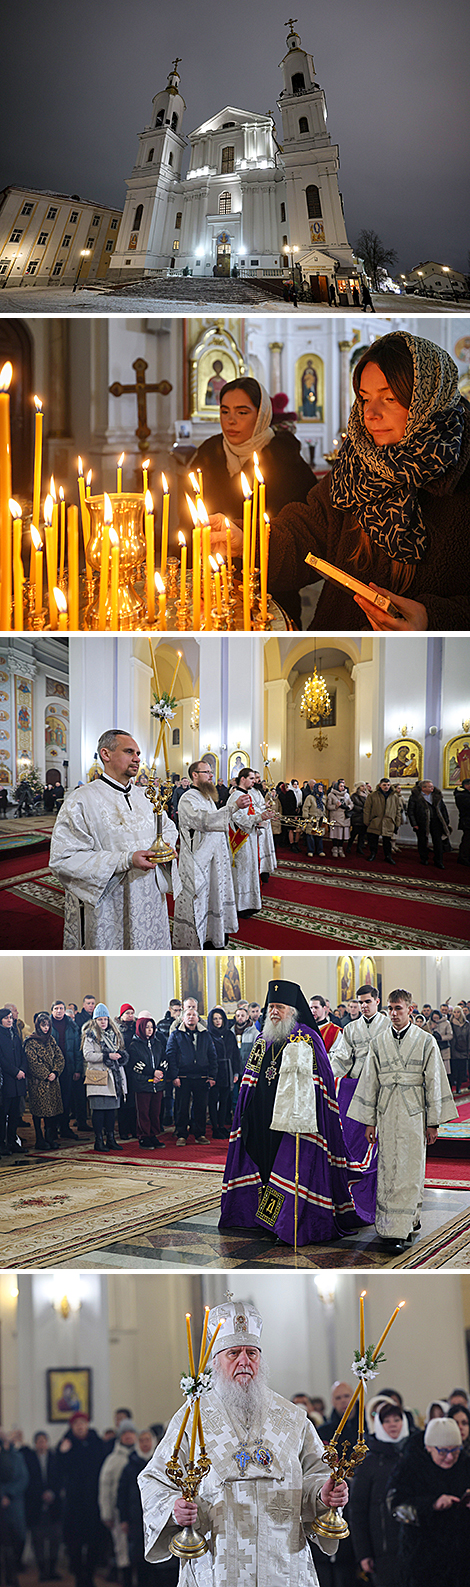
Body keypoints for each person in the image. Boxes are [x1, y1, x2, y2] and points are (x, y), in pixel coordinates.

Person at [209, 332, 470, 630]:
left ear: (429, 399)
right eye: (365, 398)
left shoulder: (461, 477)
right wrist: (249, 543)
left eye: (390, 398)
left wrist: (434, 619)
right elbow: (304, 533)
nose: (370, 414)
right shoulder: (355, 465)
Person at [138, 1299, 348, 1587]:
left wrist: (324, 1496)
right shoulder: (193, 1418)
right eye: (233, 1353)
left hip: (284, 1566)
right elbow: (154, 1479)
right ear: (216, 1362)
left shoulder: (293, 1418)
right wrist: (174, 1506)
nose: (244, 1361)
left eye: (252, 1353)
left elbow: (316, 1476)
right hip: (218, 1565)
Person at [219, 979, 365, 1245]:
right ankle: (262, 1218)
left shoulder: (307, 1038)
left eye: (281, 1007)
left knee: (286, 1167)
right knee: (263, 1166)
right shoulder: (264, 1038)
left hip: (292, 1124)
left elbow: (320, 1085)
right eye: (271, 1007)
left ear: (293, 1010)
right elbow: (249, 1080)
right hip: (261, 1119)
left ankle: (285, 1222)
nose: (275, 1012)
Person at [347, 986, 458, 1251]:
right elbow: (369, 1082)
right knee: (388, 1168)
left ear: (410, 1009)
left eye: (399, 1008)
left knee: (410, 1170)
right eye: (390, 1009)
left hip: (413, 1115)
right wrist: (368, 1121)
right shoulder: (378, 1042)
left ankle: (406, 1223)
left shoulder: (425, 1041)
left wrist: (433, 1122)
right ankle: (390, 1227)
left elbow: (433, 1082)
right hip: (385, 1114)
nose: (394, 1013)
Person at [49, 730, 180, 949]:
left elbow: (167, 826)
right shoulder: (81, 800)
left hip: (150, 902)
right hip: (111, 904)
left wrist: (165, 846)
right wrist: (126, 860)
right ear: (106, 754)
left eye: (138, 753)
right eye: (129, 751)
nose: (137, 758)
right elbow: (63, 859)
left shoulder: (145, 797)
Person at [182, 377, 313, 531]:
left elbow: (303, 523)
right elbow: (187, 515)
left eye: (242, 412)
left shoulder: (286, 458)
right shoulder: (209, 453)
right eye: (225, 411)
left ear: (261, 415)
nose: (230, 420)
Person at [172, 760, 250, 948]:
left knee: (215, 899)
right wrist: (233, 808)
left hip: (215, 862)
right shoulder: (188, 798)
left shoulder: (206, 798)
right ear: (194, 775)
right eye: (206, 772)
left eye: (211, 772)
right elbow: (204, 821)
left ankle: (214, 937)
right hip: (197, 863)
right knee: (198, 904)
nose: (211, 775)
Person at [391, 1417, 470, 1587]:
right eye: (442, 1451)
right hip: (422, 1559)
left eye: (455, 1451)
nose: (449, 1457)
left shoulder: (465, 1463)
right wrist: (432, 1504)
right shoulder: (409, 1467)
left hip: (461, 1558)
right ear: (428, 1447)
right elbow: (396, 1508)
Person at [349, 1398, 410, 1586]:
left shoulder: (413, 1454)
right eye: (387, 1421)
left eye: (396, 1419)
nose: (393, 1425)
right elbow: (358, 1509)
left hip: (415, 1546)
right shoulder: (369, 1461)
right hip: (383, 1550)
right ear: (379, 1424)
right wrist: (364, 1553)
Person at [57, 1412, 107, 1587]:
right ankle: (79, 1576)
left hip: (94, 1501)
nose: (80, 1426)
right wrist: (63, 1453)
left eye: (82, 1423)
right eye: (76, 1423)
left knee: (95, 1541)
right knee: (74, 1544)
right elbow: (58, 1472)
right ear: (72, 1426)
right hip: (74, 1504)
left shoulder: (97, 1443)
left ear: (87, 1424)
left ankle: (90, 1574)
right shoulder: (65, 1444)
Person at [166, 998, 217, 1144]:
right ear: (183, 1018)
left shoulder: (205, 1034)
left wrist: (212, 1076)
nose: (191, 1017)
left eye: (193, 1015)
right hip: (182, 1077)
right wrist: (174, 1076)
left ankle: (199, 1134)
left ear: (198, 1018)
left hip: (202, 1077)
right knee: (182, 1108)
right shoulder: (176, 1035)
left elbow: (212, 1056)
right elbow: (171, 1056)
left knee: (200, 1107)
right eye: (188, 1015)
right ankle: (181, 1134)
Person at [226, 768, 273, 914]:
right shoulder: (236, 797)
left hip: (250, 839)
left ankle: (250, 903)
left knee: (250, 871)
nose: (254, 781)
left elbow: (251, 815)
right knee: (242, 873)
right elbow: (240, 819)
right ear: (243, 779)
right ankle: (241, 907)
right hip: (241, 842)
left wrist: (263, 816)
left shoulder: (247, 795)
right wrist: (260, 818)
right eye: (251, 778)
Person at [82, 1003, 126, 1153]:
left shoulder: (115, 1034)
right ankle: (98, 1140)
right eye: (100, 1019)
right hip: (98, 1077)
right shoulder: (91, 1035)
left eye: (105, 1019)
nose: (103, 1022)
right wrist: (107, 1056)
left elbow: (119, 1050)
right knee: (99, 1111)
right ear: (95, 1020)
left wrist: (120, 1056)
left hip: (113, 1077)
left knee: (110, 1111)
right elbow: (88, 1055)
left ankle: (111, 1139)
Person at [99, 1419, 138, 1586]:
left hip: (139, 1513)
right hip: (119, 1512)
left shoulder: (141, 1455)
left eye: (131, 1433)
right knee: (122, 1551)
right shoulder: (113, 1460)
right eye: (125, 1433)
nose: (128, 1436)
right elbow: (105, 1488)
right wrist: (106, 1513)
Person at [23, 1430, 62, 1583]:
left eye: (44, 1441)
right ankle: (42, 1570)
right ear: (35, 1443)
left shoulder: (55, 1457)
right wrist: (40, 1494)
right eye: (39, 1441)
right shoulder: (28, 1458)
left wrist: (52, 1493)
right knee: (37, 1541)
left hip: (54, 1505)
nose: (42, 1444)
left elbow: (60, 1477)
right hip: (35, 1505)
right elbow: (28, 1479)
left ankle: (52, 1569)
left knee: (55, 1539)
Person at [24, 1013, 65, 1150]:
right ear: (38, 1025)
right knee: (38, 1112)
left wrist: (55, 1072)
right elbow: (32, 1063)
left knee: (51, 1112)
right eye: (43, 1025)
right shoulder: (31, 1042)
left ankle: (49, 1137)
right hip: (38, 1083)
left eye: (48, 1025)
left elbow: (59, 1057)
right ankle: (39, 1139)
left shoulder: (51, 1040)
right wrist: (46, 1074)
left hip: (52, 1082)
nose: (46, 1028)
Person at [128, 1013, 167, 1150]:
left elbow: (164, 1058)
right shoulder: (134, 1045)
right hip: (142, 1084)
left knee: (155, 1111)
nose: (149, 1030)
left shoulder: (158, 1043)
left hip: (157, 1083)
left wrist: (160, 1072)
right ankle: (144, 1136)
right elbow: (136, 1064)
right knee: (143, 1112)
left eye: (151, 1027)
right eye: (147, 1027)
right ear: (140, 1028)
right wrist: (152, 1072)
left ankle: (153, 1134)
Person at [50, 999, 82, 1139]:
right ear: (52, 1011)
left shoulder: (72, 1025)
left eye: (61, 1008)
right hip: (52, 1069)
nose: (59, 1011)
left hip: (68, 1067)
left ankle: (65, 1127)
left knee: (66, 1099)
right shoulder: (47, 1025)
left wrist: (77, 1069)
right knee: (53, 1099)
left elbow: (77, 1049)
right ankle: (52, 1129)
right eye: (56, 1008)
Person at [206, 1006, 238, 1137]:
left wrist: (236, 1072)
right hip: (213, 1071)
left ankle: (221, 1125)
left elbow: (236, 1055)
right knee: (213, 1100)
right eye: (215, 1019)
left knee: (225, 1101)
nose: (218, 1021)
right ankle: (214, 1127)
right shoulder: (207, 1035)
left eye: (220, 1018)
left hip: (227, 1070)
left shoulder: (230, 1034)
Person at [0, 1007, 28, 1154]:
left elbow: (22, 1054)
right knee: (3, 1113)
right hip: (8, 1080)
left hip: (18, 1080)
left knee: (15, 1114)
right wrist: (15, 1071)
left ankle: (12, 1142)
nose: (10, 1020)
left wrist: (22, 1069)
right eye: (6, 1018)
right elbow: (2, 1060)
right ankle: (2, 1144)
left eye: (11, 1018)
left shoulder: (15, 1034)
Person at [407, 780, 452, 867]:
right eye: (430, 786)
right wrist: (414, 824)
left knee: (438, 842)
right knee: (422, 841)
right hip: (422, 822)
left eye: (432, 786)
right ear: (423, 788)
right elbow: (411, 811)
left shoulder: (436, 795)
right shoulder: (415, 797)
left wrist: (445, 821)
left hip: (436, 822)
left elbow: (443, 809)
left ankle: (438, 861)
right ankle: (424, 858)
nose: (432, 788)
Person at [363, 779, 402, 864]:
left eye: (388, 785)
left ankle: (388, 856)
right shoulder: (373, 795)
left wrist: (397, 822)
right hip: (376, 820)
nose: (386, 787)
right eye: (384, 785)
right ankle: (373, 854)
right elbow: (367, 809)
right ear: (380, 785)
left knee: (387, 841)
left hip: (389, 821)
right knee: (373, 840)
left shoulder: (394, 796)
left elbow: (398, 810)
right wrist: (366, 820)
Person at [326, 780, 353, 857]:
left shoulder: (346, 794)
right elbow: (328, 806)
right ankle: (334, 848)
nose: (342, 787)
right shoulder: (331, 795)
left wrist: (348, 807)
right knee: (335, 834)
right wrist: (336, 806)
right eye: (341, 786)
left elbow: (351, 803)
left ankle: (340, 848)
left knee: (342, 835)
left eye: (343, 786)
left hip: (345, 817)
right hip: (336, 817)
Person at [450, 1006, 470, 1093]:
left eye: (458, 1012)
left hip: (464, 1050)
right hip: (454, 1050)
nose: (456, 1014)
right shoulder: (450, 1023)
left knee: (462, 1071)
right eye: (455, 1012)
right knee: (454, 1070)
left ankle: (458, 1087)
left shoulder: (466, 1024)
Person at [454, 778, 470, 865]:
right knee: (467, 840)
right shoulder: (461, 795)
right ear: (467, 785)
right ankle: (463, 857)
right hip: (467, 820)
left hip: (467, 820)